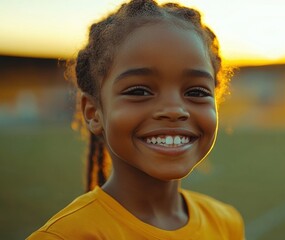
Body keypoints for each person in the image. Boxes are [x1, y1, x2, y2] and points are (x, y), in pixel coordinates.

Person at [27, 0, 244, 239]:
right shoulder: (67, 235)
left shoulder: (227, 223)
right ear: (93, 112)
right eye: (139, 91)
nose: (174, 110)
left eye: (196, 92)